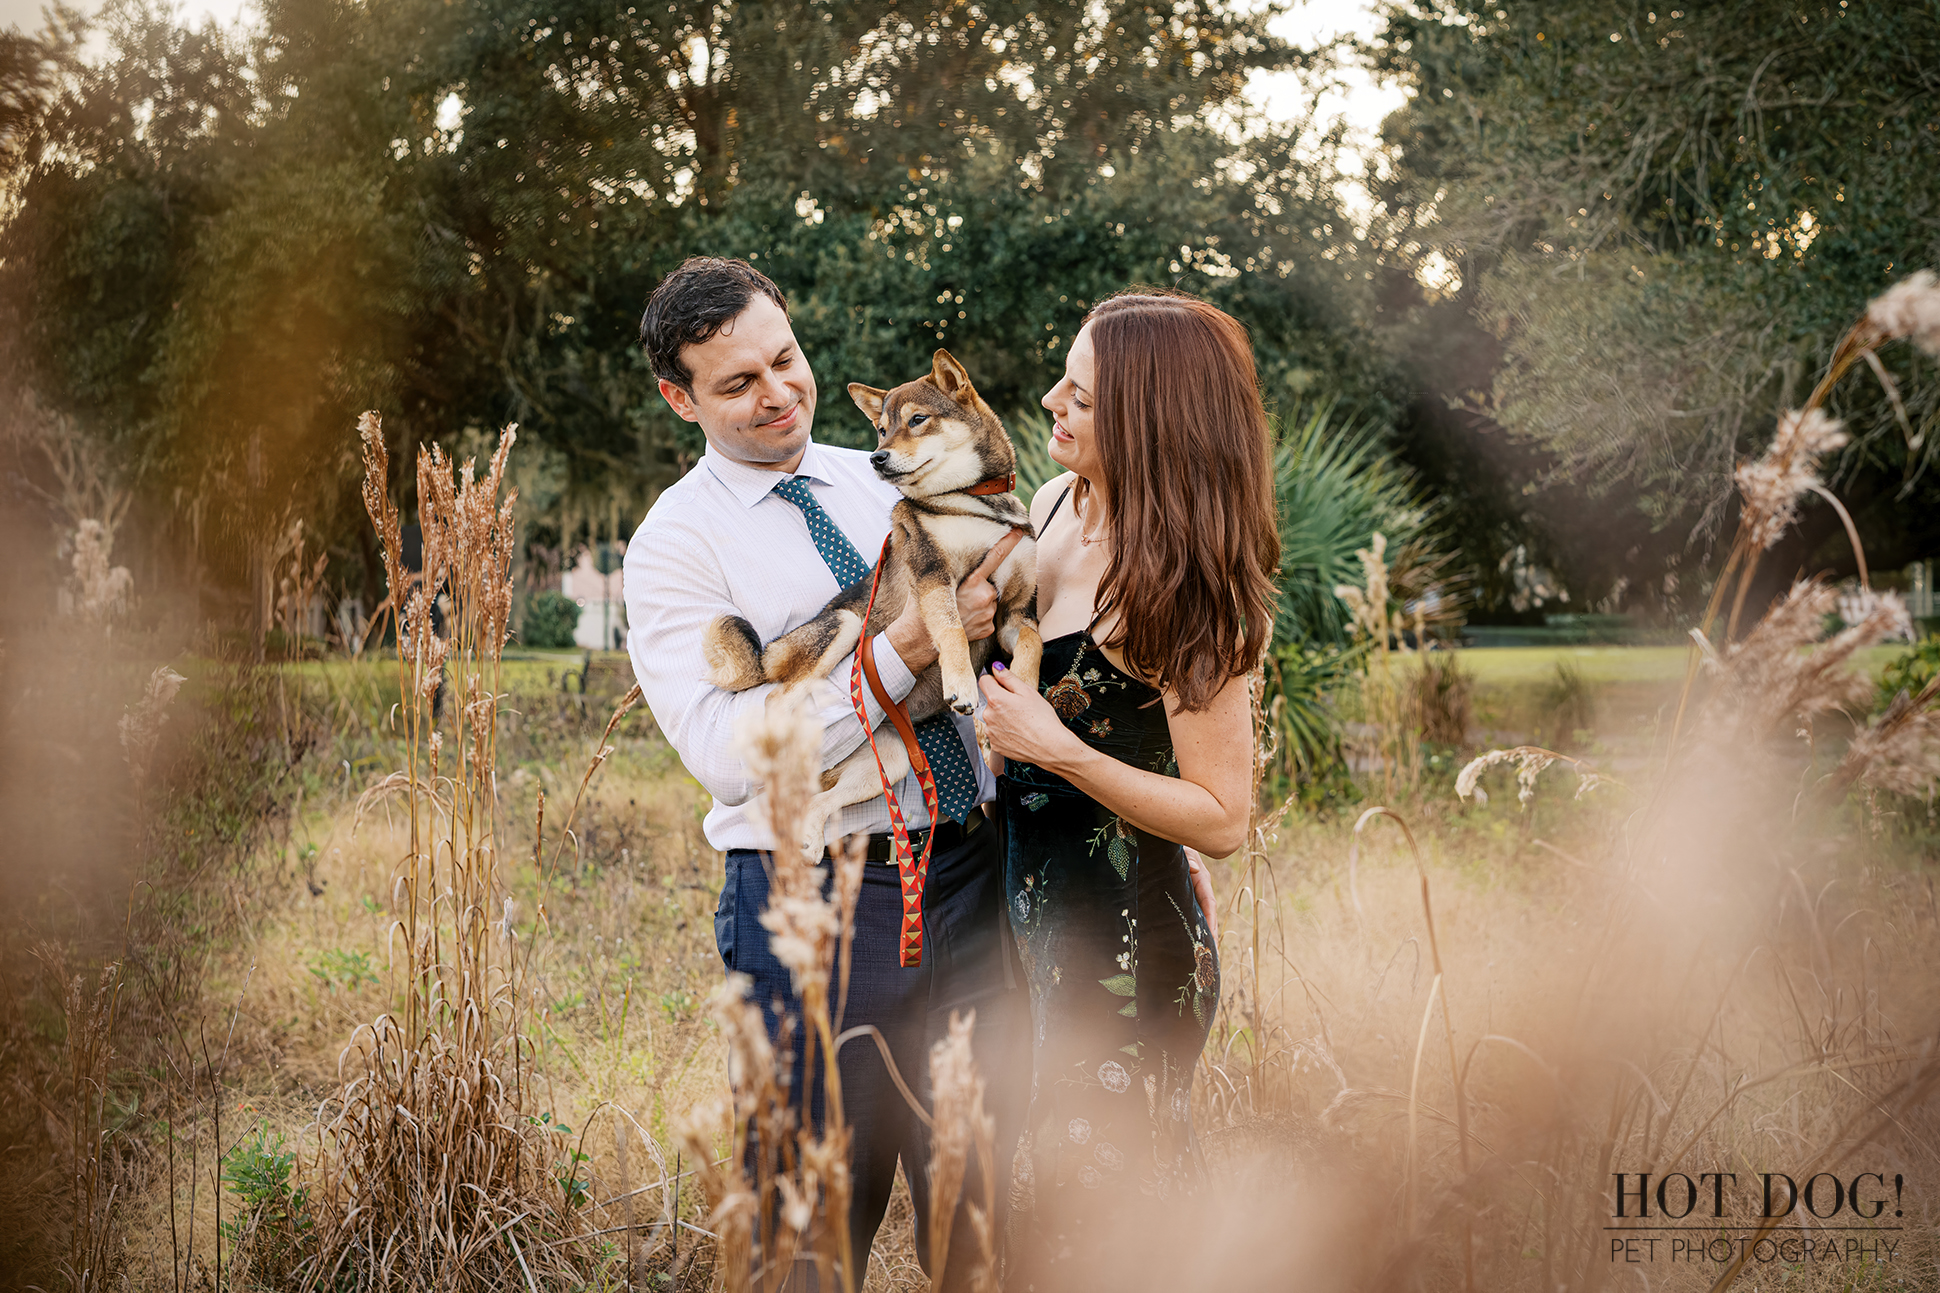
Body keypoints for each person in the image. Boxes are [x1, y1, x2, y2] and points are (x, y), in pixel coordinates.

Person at [621, 257, 1026, 1288]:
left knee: (980, 1223)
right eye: (737, 383)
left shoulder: (884, 475)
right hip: (816, 916)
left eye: (785, 360)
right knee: (805, 1242)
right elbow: (727, 756)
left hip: (971, 880)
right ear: (680, 399)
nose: (778, 393)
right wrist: (902, 654)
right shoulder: (676, 544)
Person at [977, 289, 1277, 1283]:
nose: (1052, 401)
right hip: (1035, 919)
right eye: (1063, 376)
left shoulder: (1184, 583)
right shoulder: (1058, 504)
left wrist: (1051, 746)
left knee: (1104, 1222)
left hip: (1126, 953)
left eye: (1085, 397)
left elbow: (1224, 820)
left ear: (1149, 422)